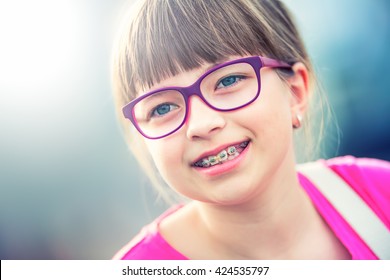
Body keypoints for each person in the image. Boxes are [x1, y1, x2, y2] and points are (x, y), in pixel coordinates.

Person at [111, 0, 390, 259]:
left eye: (229, 80)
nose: (201, 124)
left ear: (295, 92)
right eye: (161, 109)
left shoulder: (380, 196)